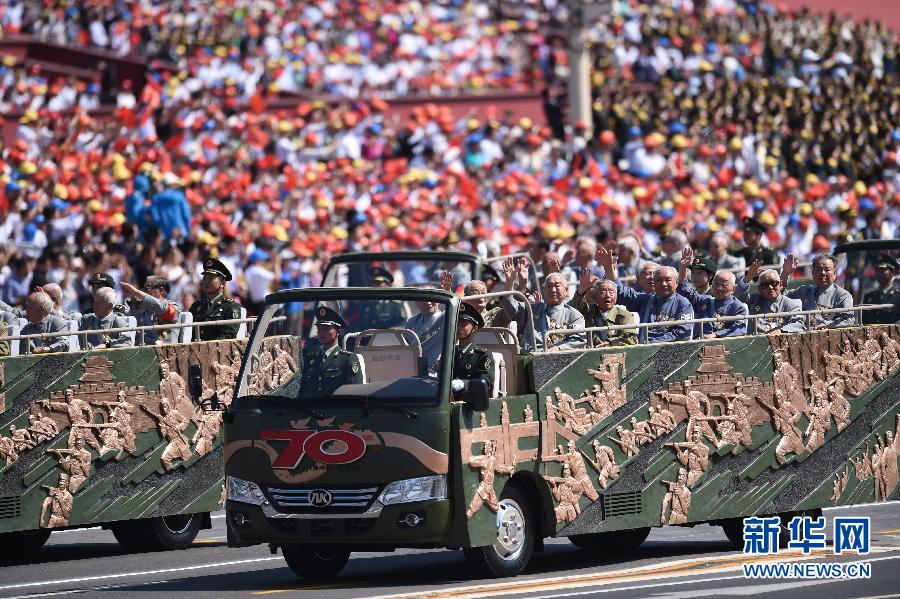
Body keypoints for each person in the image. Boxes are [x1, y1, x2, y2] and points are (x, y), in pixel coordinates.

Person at [596, 247, 694, 343]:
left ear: (676, 282)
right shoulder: (646, 300)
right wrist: (608, 267)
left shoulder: (683, 303)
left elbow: (683, 332)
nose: (663, 284)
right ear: (654, 283)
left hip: (668, 351)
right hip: (644, 350)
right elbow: (621, 292)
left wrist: (655, 342)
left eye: (668, 280)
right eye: (659, 280)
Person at [500, 258, 585, 351]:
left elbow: (579, 340)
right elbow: (511, 308)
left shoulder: (574, 315)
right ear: (544, 290)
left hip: (558, 358)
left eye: (557, 286)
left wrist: (559, 348)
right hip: (530, 357)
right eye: (549, 286)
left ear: (566, 290)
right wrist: (509, 282)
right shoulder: (532, 309)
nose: (553, 290)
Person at [677, 249, 748, 338]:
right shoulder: (705, 300)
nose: (719, 288)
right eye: (716, 283)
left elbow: (739, 329)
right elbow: (684, 291)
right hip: (699, 344)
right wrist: (683, 268)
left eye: (724, 284)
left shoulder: (737, 307)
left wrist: (715, 335)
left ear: (733, 288)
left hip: (724, 346)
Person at [299, 307, 363, 399]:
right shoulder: (310, 359)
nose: (321, 333)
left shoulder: (348, 359)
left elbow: (355, 396)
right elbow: (303, 393)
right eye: (319, 329)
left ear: (338, 331)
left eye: (326, 329)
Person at [784, 253, 854, 329]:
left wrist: (826, 324)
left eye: (827, 270)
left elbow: (849, 319)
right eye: (819, 269)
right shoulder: (804, 291)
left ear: (835, 274)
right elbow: (779, 297)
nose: (823, 273)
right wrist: (785, 273)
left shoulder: (843, 295)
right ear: (813, 273)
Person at [736, 262, 806, 334]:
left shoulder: (792, 304)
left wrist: (781, 330)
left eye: (773, 283)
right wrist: (748, 277)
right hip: (755, 341)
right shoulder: (754, 299)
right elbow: (737, 297)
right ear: (759, 289)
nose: (770, 287)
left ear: (781, 285)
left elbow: (799, 324)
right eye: (765, 285)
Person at [570, 272, 637, 347]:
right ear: (595, 296)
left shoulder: (624, 315)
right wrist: (581, 290)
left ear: (616, 296)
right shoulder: (589, 311)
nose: (608, 295)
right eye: (603, 292)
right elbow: (576, 306)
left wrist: (611, 343)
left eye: (611, 292)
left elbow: (631, 338)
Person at [189, 258, 242, 341]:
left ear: (222, 283)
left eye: (211, 278)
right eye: (205, 278)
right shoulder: (196, 306)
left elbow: (228, 334)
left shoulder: (231, 307)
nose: (207, 281)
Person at [121, 276, 181, 344]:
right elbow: (128, 317)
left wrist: (136, 292)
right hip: (144, 350)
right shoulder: (144, 308)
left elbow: (161, 308)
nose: (143, 291)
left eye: (147, 288)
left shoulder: (174, 307)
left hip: (167, 350)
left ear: (161, 291)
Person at [451, 302, 494, 396]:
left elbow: (486, 382)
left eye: (463, 325)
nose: (458, 328)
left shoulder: (483, 355)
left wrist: (463, 383)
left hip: (471, 402)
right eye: (457, 324)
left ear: (474, 329)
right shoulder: (450, 353)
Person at [355, 266, 405, 331]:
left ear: (388, 285)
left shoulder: (396, 305)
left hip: (389, 340)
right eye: (373, 284)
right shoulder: (366, 305)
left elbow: (402, 325)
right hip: (366, 340)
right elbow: (359, 327)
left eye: (378, 284)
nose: (375, 287)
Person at [861, 254, 900, 325]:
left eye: (882, 270)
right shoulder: (869, 296)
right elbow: (864, 321)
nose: (879, 273)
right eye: (877, 270)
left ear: (892, 272)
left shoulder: (898, 296)